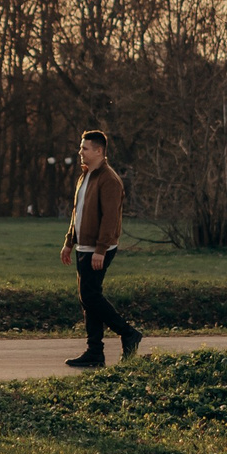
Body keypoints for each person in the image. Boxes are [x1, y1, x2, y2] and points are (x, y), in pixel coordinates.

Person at [59, 130, 141, 368]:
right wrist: (68, 242)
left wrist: (101, 249)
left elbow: (110, 218)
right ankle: (95, 352)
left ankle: (128, 334)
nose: (80, 152)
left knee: (90, 296)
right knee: (87, 299)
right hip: (83, 247)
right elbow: (78, 213)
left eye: (84, 148)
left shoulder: (109, 180)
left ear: (98, 151)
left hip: (98, 248)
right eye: (80, 148)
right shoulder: (85, 176)